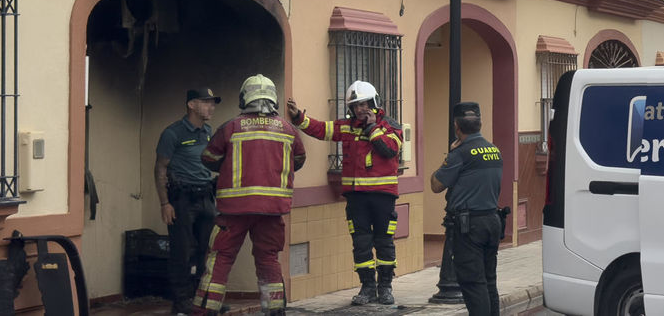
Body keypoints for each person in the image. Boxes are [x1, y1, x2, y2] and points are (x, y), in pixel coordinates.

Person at [192, 75, 305, 316]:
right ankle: (274, 310)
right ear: (273, 98)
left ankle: (205, 311)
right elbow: (299, 160)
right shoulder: (288, 129)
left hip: (233, 211)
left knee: (220, 259)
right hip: (272, 212)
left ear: (245, 98)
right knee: (268, 260)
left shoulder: (231, 127)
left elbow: (208, 158)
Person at [287, 81, 404, 305]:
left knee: (384, 242)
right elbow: (321, 129)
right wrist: (299, 118)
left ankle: (385, 287)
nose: (360, 109)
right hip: (356, 197)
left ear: (374, 103)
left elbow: (389, 150)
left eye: (364, 104)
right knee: (360, 243)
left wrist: (371, 128)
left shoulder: (390, 126)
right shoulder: (347, 126)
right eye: (356, 105)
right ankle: (367, 288)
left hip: (382, 196)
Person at [431, 102, 504, 316]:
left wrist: (449, 155)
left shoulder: (460, 153)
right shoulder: (494, 150)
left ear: (456, 126)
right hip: (492, 221)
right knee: (489, 281)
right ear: (480, 124)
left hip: (469, 226)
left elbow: (436, 184)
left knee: (473, 283)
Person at [155, 88, 221, 315]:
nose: (211, 107)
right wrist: (165, 203)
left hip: (205, 197)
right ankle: (181, 302)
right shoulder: (173, 133)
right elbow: (160, 169)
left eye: (213, 103)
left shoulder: (208, 131)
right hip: (182, 200)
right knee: (181, 252)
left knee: (205, 251)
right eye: (206, 103)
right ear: (191, 105)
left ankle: (199, 300)